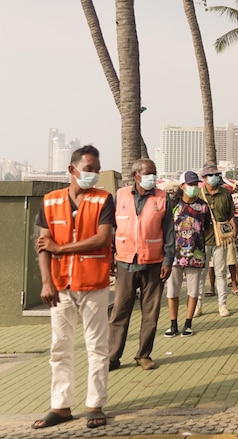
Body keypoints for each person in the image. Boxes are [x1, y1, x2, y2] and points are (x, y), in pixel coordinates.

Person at [32, 145, 115, 430]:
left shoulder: (104, 200)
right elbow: (43, 245)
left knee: (97, 346)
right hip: (61, 286)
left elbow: (102, 239)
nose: (93, 174)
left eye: (96, 170)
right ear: (72, 170)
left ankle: (95, 404)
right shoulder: (50, 201)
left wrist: (61, 248)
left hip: (94, 284)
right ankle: (61, 405)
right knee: (60, 347)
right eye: (88, 169)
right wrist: (46, 282)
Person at [109, 158, 175, 371]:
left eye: (154, 173)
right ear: (136, 175)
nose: (152, 177)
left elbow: (170, 232)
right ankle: (112, 356)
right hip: (125, 261)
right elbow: (111, 227)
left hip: (154, 262)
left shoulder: (163, 197)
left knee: (151, 313)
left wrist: (168, 259)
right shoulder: (120, 196)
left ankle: (143, 354)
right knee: (120, 311)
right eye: (148, 174)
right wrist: (110, 256)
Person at [165, 171, 209, 338]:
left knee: (193, 290)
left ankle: (188, 323)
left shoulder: (203, 206)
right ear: (182, 186)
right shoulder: (172, 204)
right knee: (172, 291)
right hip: (175, 255)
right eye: (190, 184)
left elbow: (207, 228)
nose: (193, 188)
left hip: (196, 255)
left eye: (195, 184)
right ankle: (173, 324)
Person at [199, 162, 236, 317]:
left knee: (221, 272)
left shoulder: (225, 193)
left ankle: (222, 304)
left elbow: (230, 214)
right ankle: (197, 305)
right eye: (210, 175)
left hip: (221, 238)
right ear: (204, 177)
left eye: (215, 175)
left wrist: (233, 230)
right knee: (201, 273)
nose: (213, 178)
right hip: (202, 239)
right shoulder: (199, 194)